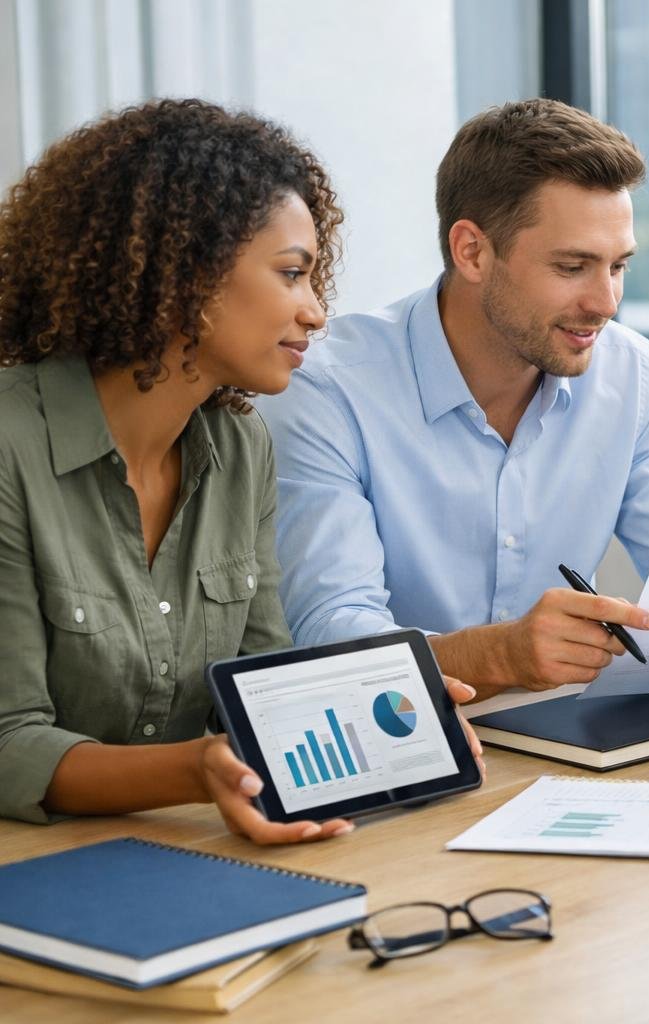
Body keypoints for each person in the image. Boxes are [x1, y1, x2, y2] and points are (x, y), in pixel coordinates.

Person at [258, 99, 649, 695]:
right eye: (573, 266)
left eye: (618, 266)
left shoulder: (632, 373)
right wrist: (501, 654)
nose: (606, 303)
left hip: (562, 746)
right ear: (471, 251)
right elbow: (331, 634)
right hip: (405, 749)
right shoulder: (327, 387)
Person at [0, 99, 487, 842]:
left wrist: (381, 705)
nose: (316, 312)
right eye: (292, 274)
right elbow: (9, 743)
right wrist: (198, 769)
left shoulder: (239, 447)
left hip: (176, 849)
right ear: (181, 271)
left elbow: (266, 680)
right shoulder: (10, 448)